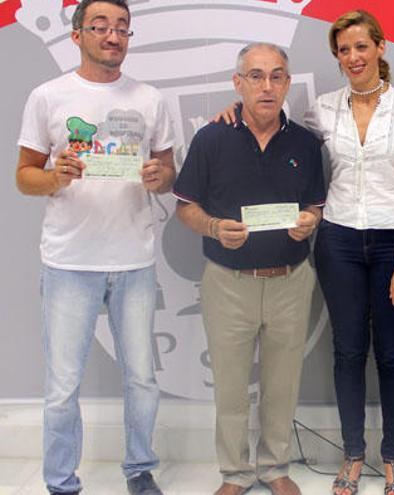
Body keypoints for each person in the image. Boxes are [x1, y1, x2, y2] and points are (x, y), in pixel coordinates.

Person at [15, 1, 175, 493]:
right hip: (69, 261)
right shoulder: (48, 96)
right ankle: (61, 481)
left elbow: (169, 172)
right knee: (63, 388)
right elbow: (24, 177)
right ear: (77, 34)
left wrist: (159, 176)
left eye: (122, 28)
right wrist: (54, 177)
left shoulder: (151, 99)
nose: (113, 36)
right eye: (101, 27)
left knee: (143, 379)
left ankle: (139, 469)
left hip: (133, 261)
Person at [174, 42, 325, 495]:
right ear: (237, 83)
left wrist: (309, 223)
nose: (267, 86)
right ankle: (236, 474)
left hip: (290, 281)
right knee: (232, 387)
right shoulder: (211, 139)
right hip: (228, 283)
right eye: (255, 76)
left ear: (287, 84)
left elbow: (315, 205)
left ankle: (275, 467)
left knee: (282, 384)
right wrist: (215, 227)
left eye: (277, 76)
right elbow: (186, 209)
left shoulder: (304, 142)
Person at [304, 10, 394, 495]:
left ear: (381, 47)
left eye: (361, 46)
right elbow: (277, 134)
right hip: (337, 241)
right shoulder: (322, 109)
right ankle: (353, 454)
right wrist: (230, 114)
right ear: (336, 58)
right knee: (348, 351)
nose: (353, 57)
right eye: (343, 50)